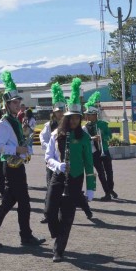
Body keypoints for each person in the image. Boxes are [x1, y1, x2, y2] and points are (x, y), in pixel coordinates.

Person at [0, 71, 45, 249]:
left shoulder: (15, 120)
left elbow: (19, 141)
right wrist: (16, 150)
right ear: (7, 105)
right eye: (14, 102)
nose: (18, 104)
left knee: (10, 202)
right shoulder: (4, 123)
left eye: (18, 102)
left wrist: (26, 146)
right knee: (23, 202)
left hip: (17, 165)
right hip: (10, 166)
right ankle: (24, 236)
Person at [46, 92, 96, 262]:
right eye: (71, 118)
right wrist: (58, 165)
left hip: (75, 178)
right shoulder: (56, 134)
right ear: (66, 118)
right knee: (49, 211)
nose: (74, 121)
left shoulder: (84, 137)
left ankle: (58, 250)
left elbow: (89, 163)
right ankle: (56, 233)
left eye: (77, 118)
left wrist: (90, 187)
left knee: (67, 218)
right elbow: (48, 157)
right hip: (58, 175)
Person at [40, 83, 67, 223]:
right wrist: (50, 147)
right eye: (58, 111)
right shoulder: (48, 126)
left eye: (62, 111)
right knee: (50, 186)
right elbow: (43, 139)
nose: (60, 113)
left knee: (65, 188)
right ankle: (48, 213)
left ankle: (63, 213)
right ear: (54, 112)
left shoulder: (69, 124)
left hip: (65, 161)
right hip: (52, 161)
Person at [84, 92, 116, 201]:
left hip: (104, 150)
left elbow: (109, 136)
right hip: (94, 152)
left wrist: (102, 137)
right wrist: (93, 138)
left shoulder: (103, 124)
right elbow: (86, 139)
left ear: (95, 115)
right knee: (101, 173)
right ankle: (107, 193)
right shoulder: (86, 127)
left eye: (89, 114)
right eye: (87, 114)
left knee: (109, 172)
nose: (87, 116)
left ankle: (110, 189)